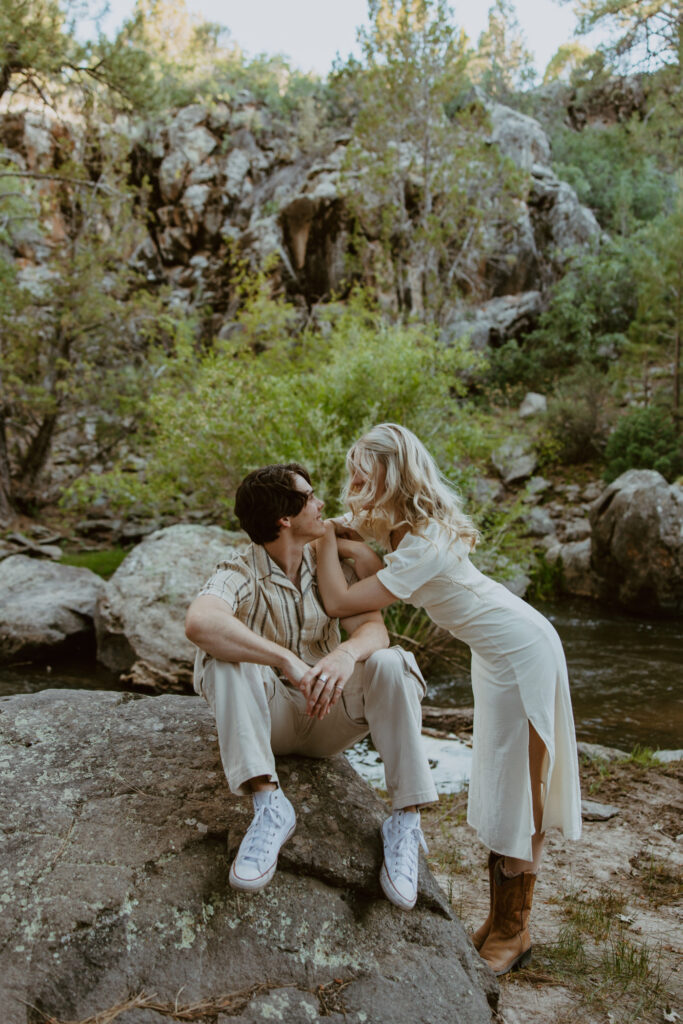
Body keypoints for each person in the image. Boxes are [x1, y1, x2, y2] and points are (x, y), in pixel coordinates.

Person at [314, 424, 582, 977]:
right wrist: (330, 530)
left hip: (523, 651)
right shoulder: (403, 527)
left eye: (363, 473)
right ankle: (502, 918)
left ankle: (514, 930)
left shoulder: (427, 540)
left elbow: (342, 601)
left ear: (391, 474)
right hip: (495, 657)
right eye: (352, 475)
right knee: (501, 781)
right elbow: (364, 555)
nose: (354, 484)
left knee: (522, 791)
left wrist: (322, 542)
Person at [185, 462, 437, 909]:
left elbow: (375, 632)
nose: (322, 504)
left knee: (393, 662)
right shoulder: (239, 568)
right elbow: (200, 621)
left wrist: (343, 654)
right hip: (272, 720)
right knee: (222, 658)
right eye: (311, 497)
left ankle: (404, 821)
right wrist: (284, 658)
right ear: (285, 518)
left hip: (330, 716)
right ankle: (269, 806)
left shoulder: (332, 561)